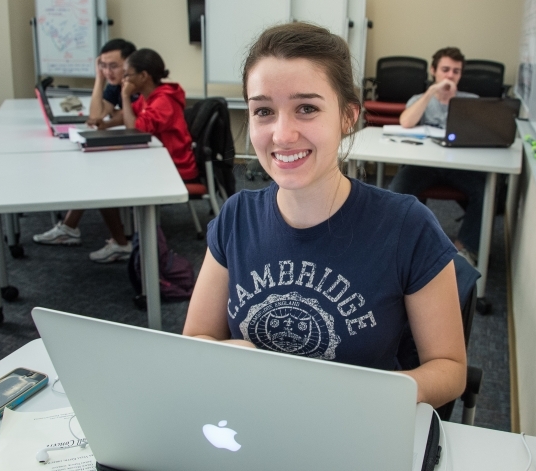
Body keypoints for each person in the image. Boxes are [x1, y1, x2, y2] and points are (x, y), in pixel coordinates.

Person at [183, 23, 466, 408]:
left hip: (357, 425)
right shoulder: (236, 218)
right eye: (263, 110)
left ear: (348, 117)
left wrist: (358, 396)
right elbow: (197, 337)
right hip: (250, 416)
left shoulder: (406, 226)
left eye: (307, 108)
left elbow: (449, 368)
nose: (282, 134)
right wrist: (234, 355)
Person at [33, 38, 137, 262]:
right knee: (91, 168)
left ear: (128, 64)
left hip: (150, 156)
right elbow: (95, 117)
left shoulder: (136, 86)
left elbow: (125, 122)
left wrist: (107, 114)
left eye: (114, 66)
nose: (108, 71)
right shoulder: (115, 86)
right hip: (133, 148)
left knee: (98, 178)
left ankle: (120, 243)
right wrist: (99, 79)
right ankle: (70, 227)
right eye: (104, 65)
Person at [388, 48, 485, 270]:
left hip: (459, 167)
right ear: (434, 71)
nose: (450, 76)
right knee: (398, 188)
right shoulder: (419, 99)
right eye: (445, 70)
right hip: (424, 166)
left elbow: (480, 134)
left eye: (456, 71)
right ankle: (404, 244)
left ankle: (464, 249)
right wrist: (431, 92)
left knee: (483, 192)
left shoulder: (472, 101)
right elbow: (406, 122)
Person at [118, 48, 198, 184]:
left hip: (174, 167)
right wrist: (105, 123)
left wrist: (125, 96)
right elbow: (127, 114)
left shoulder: (164, 100)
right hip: (158, 160)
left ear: (143, 76)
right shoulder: (148, 97)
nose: (123, 80)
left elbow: (135, 130)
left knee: (117, 174)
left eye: (127, 75)